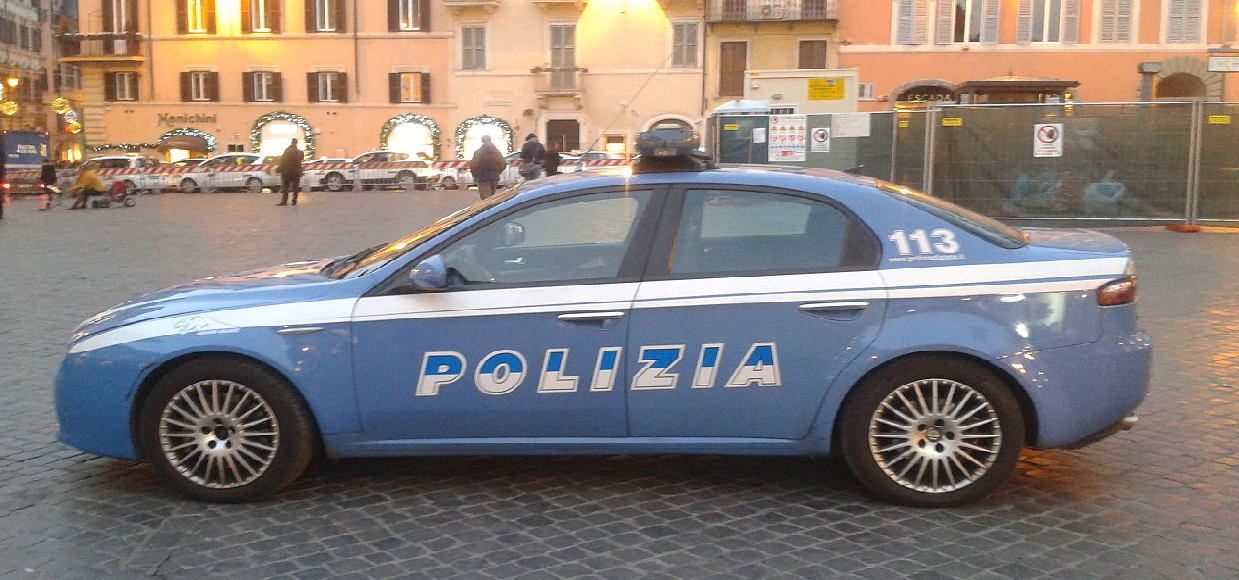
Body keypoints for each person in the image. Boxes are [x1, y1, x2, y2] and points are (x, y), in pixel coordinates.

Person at [469, 134, 506, 200]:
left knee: (486, 199)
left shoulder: (478, 152)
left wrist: (476, 175)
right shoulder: (497, 152)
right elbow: (503, 164)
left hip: (482, 178)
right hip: (494, 177)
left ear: (482, 141)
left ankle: (488, 210)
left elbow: (474, 165)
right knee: (491, 197)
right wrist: (497, 173)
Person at [277, 138, 304, 206]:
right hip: (296, 171)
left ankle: (284, 201)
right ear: (296, 143)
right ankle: (294, 201)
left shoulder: (287, 151)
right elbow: (301, 160)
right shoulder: (300, 152)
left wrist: (279, 169)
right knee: (296, 187)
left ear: (291, 143)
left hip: (287, 171)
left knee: (285, 186)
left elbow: (282, 161)